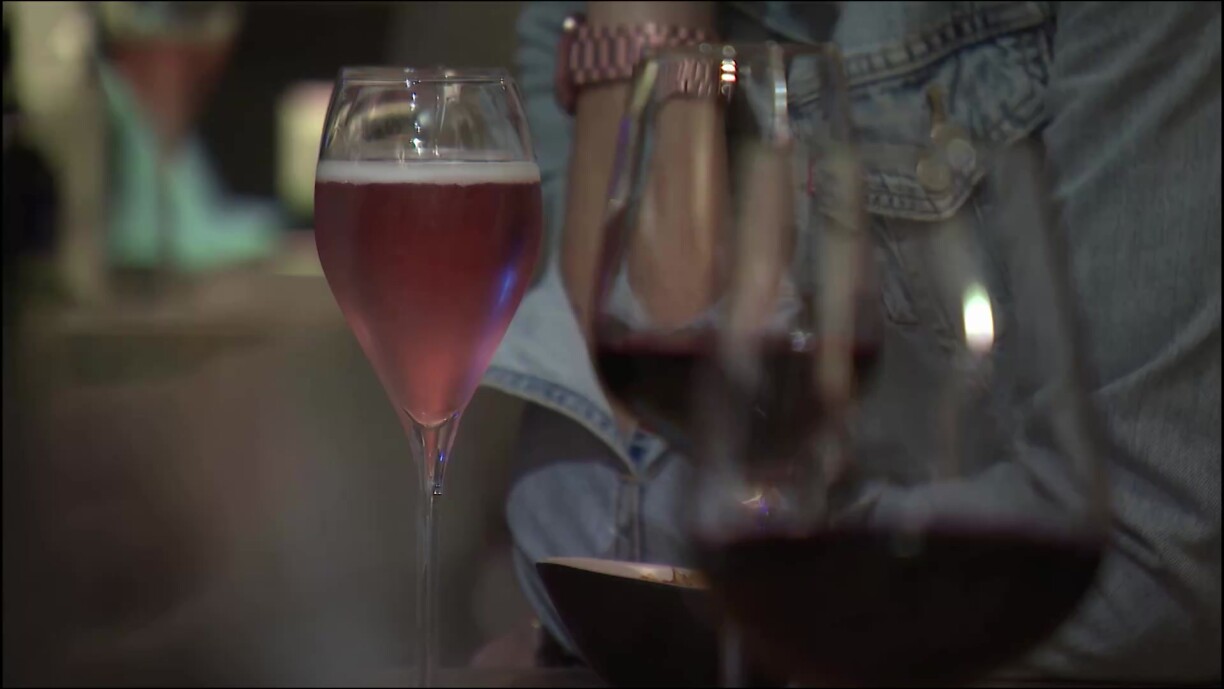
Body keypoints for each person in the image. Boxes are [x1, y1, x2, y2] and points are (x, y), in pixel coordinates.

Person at [478, 1, 1222, 682]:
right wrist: (653, 29)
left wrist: (730, 583)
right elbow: (601, 492)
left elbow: (1151, 561)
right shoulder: (581, 21)